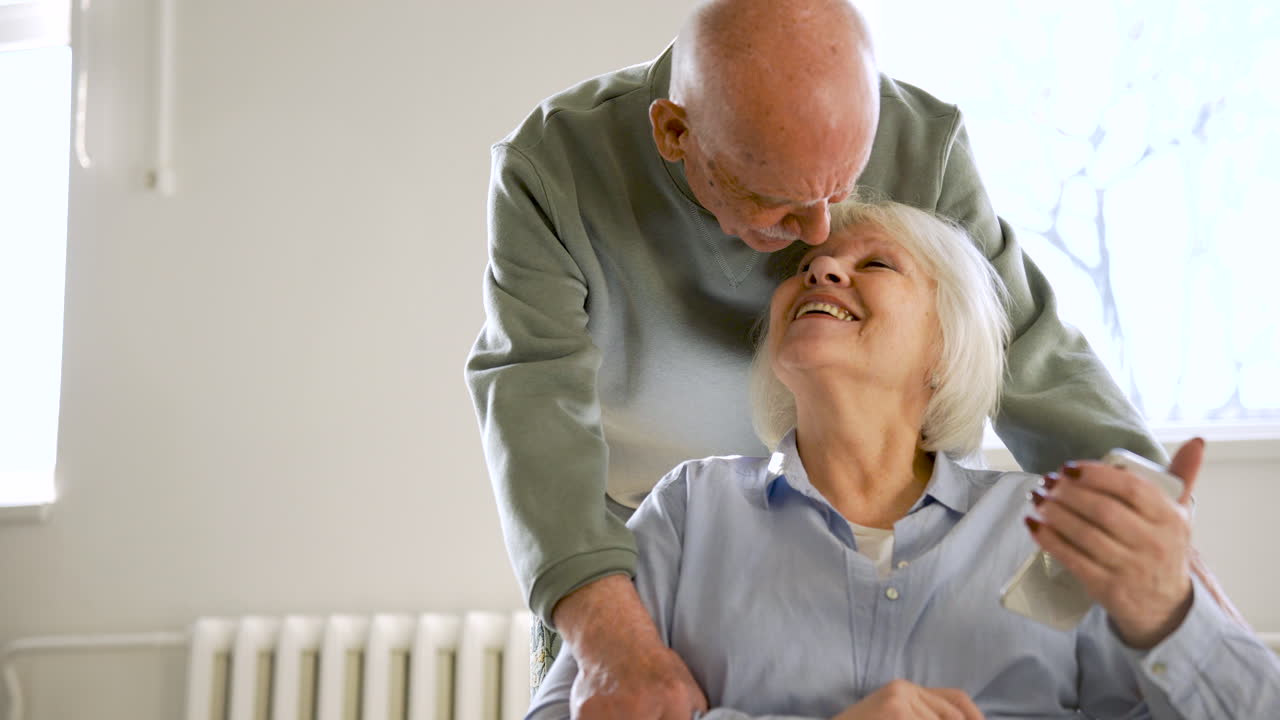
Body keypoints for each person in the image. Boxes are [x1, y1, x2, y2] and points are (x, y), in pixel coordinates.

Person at [465, 0, 1233, 716]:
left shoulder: (921, 144)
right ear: (673, 133)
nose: (819, 237)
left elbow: (1026, 344)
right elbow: (534, 396)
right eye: (779, 202)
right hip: (634, 562)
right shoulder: (555, 166)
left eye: (846, 190)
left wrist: (1169, 571)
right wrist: (611, 637)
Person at [523, 199, 1280, 720]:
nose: (821, 272)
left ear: (945, 348)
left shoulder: (1046, 527)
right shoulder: (691, 509)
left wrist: (1168, 617)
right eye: (809, 266)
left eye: (877, 264)